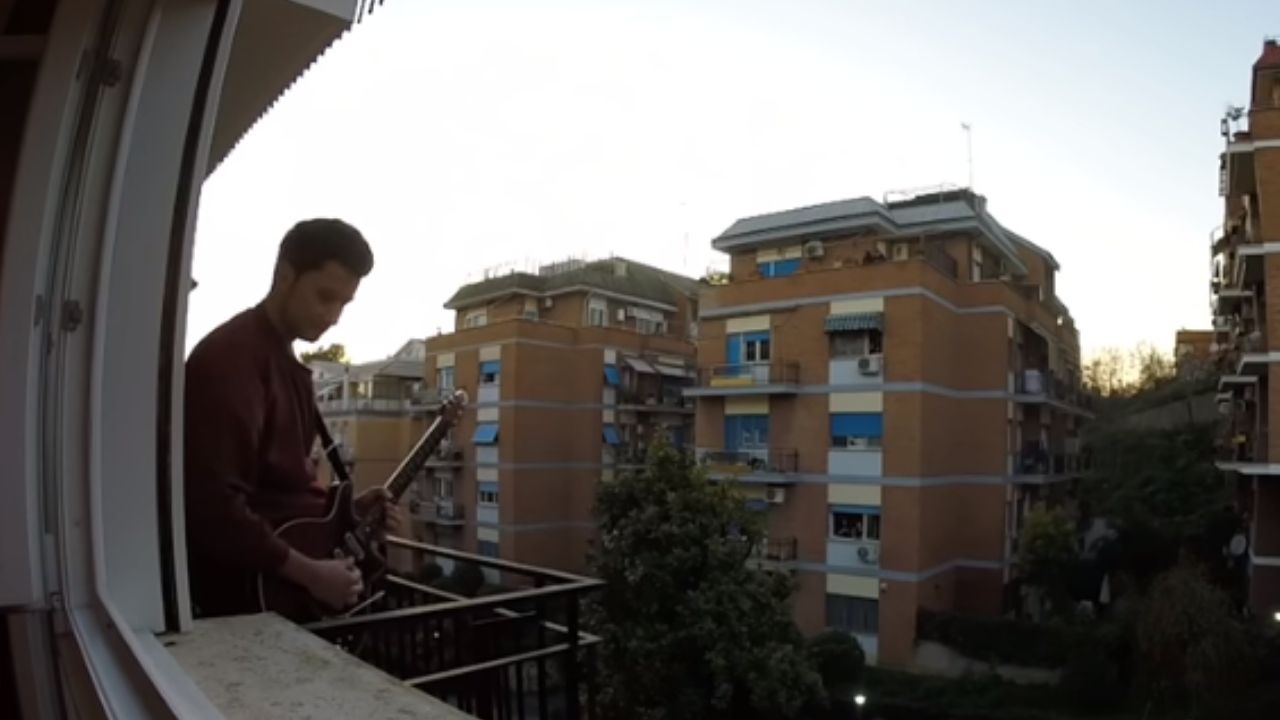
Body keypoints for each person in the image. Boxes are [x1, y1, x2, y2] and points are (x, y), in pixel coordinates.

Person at [184, 218, 398, 618]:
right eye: (325, 297)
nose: (334, 316)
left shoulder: (280, 360)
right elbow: (214, 505)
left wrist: (348, 513)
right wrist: (312, 575)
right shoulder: (232, 359)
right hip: (244, 604)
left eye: (344, 304)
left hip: (276, 595)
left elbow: (278, 492)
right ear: (285, 276)